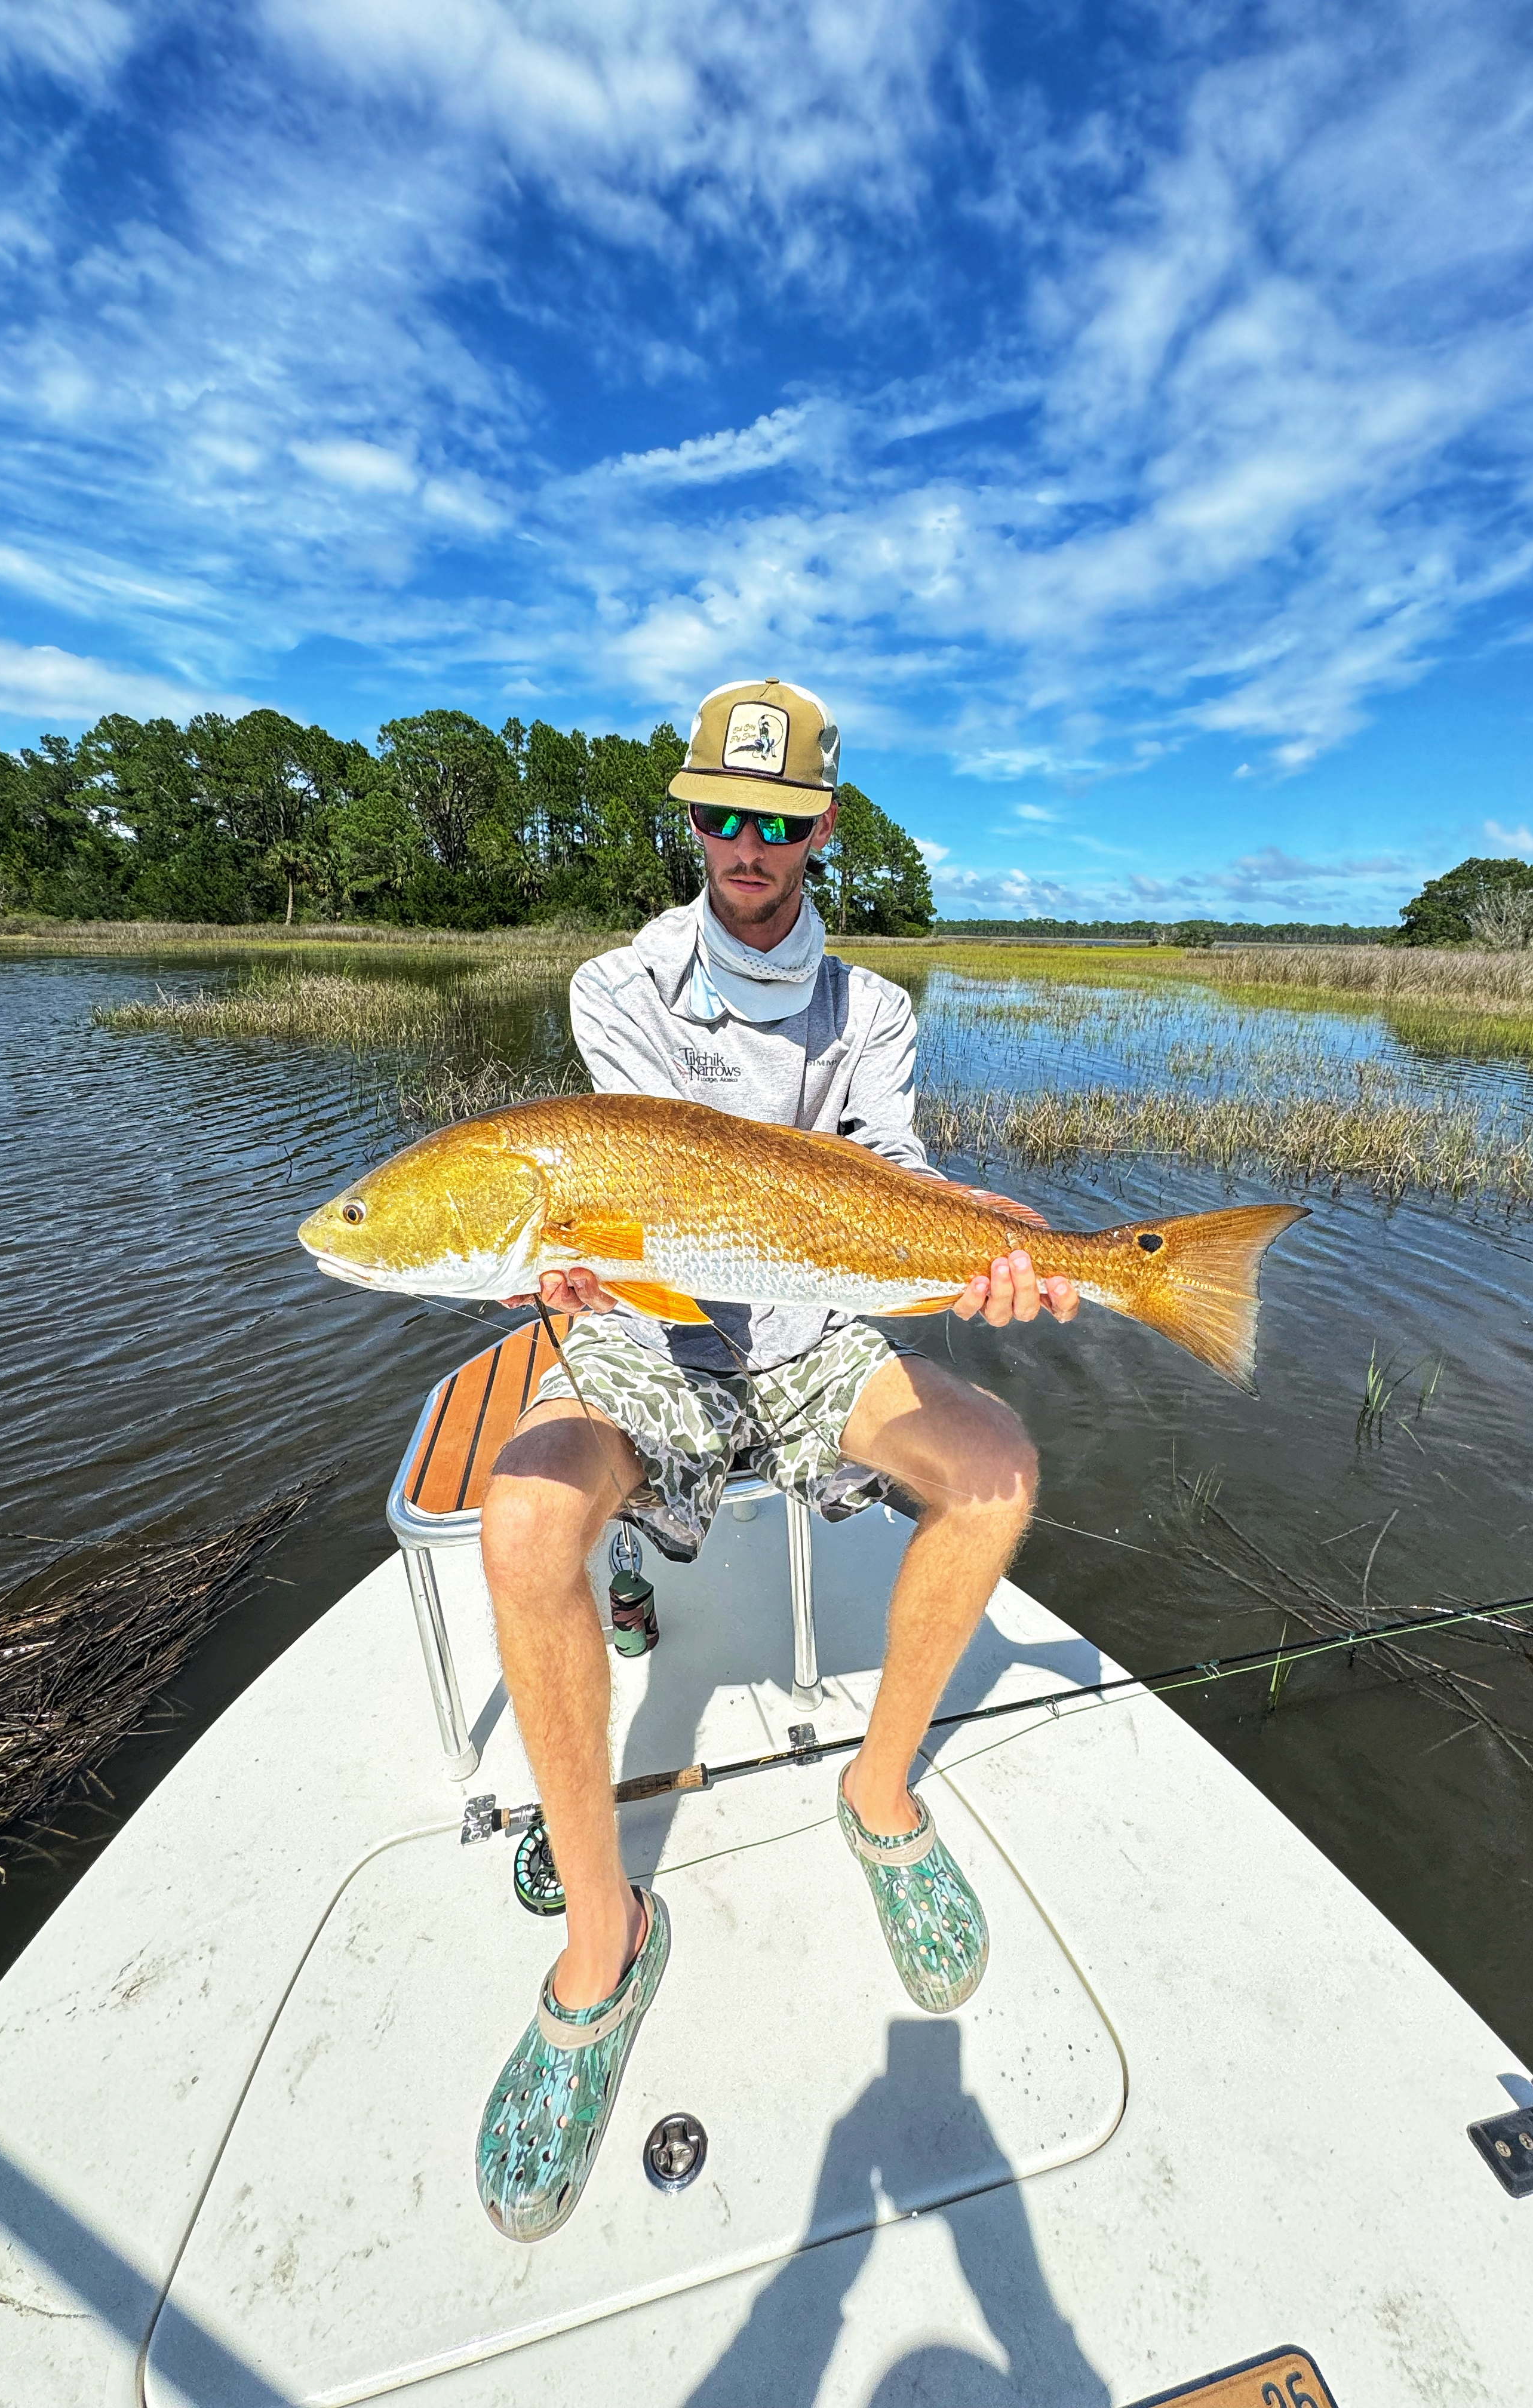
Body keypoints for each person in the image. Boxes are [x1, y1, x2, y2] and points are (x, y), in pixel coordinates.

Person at [474, 677, 1078, 2242]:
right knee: (528, 1516)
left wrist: (985, 1249)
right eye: (722, 815)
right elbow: (643, 1172)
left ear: (821, 826)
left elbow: (893, 1179)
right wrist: (567, 1251)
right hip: (657, 1334)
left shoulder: (871, 1012)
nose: (748, 844)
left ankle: (881, 1802)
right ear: (691, 820)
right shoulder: (617, 986)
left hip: (812, 1330)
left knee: (998, 1466)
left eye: (778, 818)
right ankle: (604, 1938)